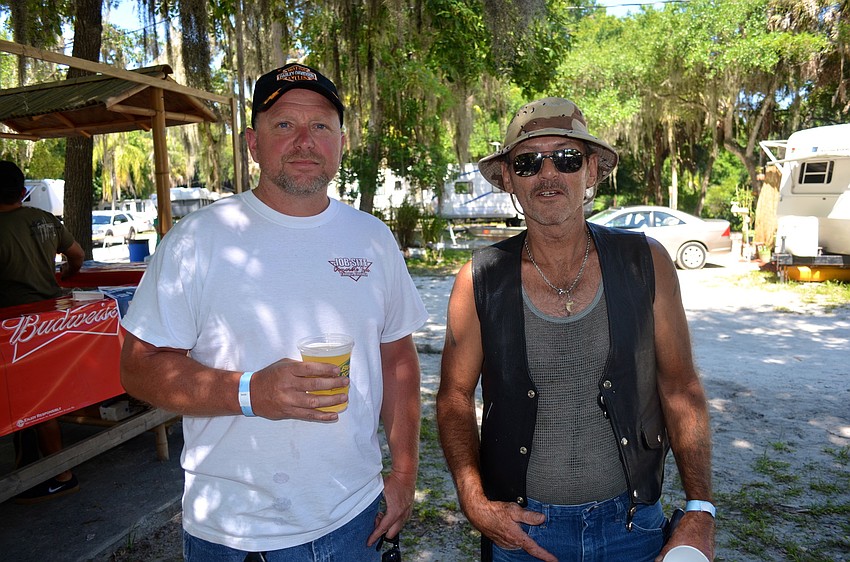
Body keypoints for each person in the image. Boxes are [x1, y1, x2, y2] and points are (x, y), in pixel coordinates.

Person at [120, 63, 428, 561]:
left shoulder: (371, 238)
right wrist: (249, 392)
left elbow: (397, 358)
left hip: (351, 519)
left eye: (321, 126)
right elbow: (138, 366)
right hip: (229, 532)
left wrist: (406, 473)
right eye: (284, 124)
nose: (305, 141)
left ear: (341, 144)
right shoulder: (198, 240)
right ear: (252, 142)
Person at [436, 97, 715, 562]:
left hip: (635, 525)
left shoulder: (646, 262)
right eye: (527, 162)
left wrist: (700, 507)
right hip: (522, 533)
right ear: (508, 179)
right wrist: (473, 499)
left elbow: (681, 387)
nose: (547, 175)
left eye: (565, 158)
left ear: (592, 171)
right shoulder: (478, 279)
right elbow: (454, 397)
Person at [0, 159, 85, 503]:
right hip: (51, 318)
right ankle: (40, 467)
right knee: (47, 397)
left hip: (15, 328)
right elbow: (76, 254)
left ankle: (60, 473)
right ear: (22, 191)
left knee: (35, 402)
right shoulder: (45, 219)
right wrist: (67, 275)